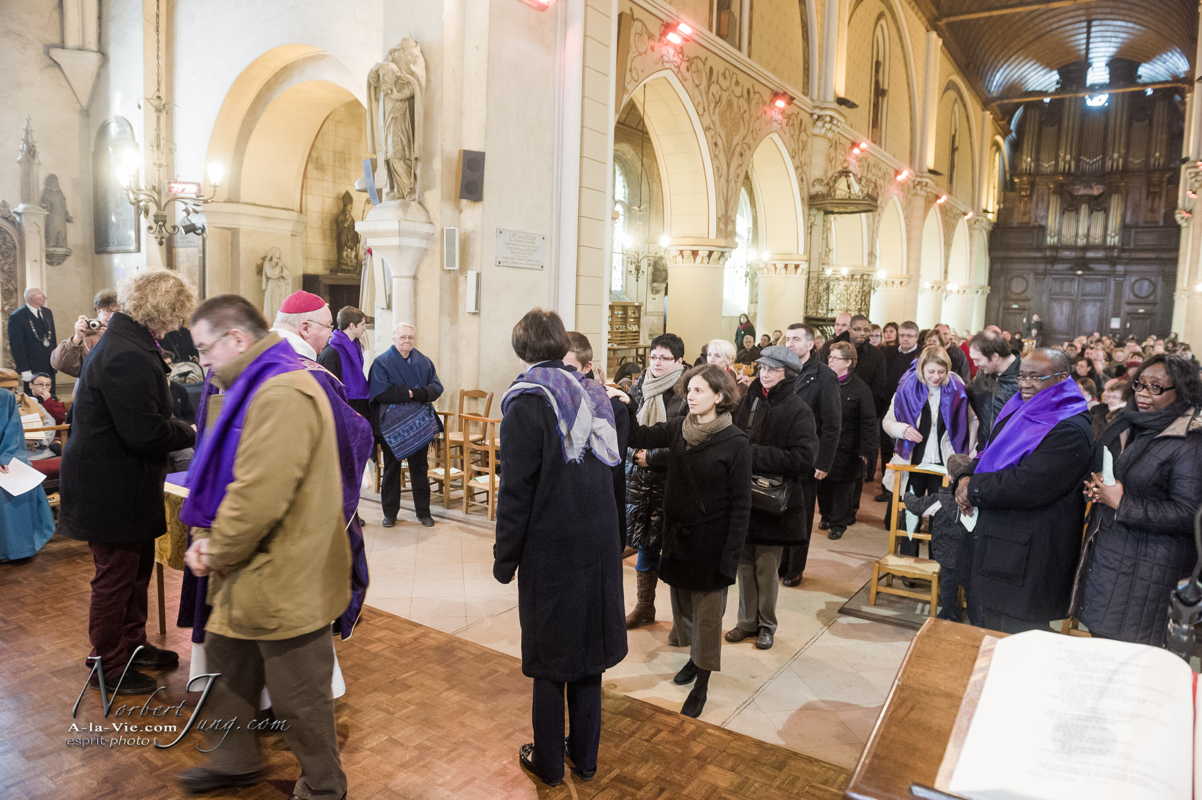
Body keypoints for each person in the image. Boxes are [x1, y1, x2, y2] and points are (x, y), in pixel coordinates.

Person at [177, 295, 349, 798]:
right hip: (252, 573)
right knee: (230, 672)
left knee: (301, 699)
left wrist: (214, 549)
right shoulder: (251, 382)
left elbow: (259, 495)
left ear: (236, 339)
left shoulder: (281, 392)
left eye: (206, 347)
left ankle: (323, 787)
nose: (203, 360)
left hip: (287, 575)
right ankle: (234, 759)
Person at [494, 310, 628, 787]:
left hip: (552, 549)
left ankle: (549, 764)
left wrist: (505, 557)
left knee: (552, 663)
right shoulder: (594, 392)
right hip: (598, 543)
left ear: (522, 349)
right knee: (588, 658)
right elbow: (615, 470)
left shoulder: (527, 401)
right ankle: (585, 759)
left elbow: (516, 490)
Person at [58, 271, 197, 694]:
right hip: (109, 488)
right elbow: (145, 432)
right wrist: (192, 431)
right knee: (115, 576)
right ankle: (108, 663)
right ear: (162, 310)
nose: (177, 324)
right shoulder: (126, 353)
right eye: (176, 314)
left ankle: (132, 646)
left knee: (135, 570)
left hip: (126, 482)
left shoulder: (130, 342)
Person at [627, 364, 751, 717]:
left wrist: (731, 556)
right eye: (689, 390)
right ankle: (695, 661)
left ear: (720, 397)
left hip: (712, 545)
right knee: (684, 611)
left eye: (698, 391)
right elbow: (639, 436)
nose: (690, 396)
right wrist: (622, 402)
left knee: (709, 616)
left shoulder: (736, 442)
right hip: (679, 539)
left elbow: (741, 504)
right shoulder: (680, 429)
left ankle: (703, 680)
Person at [954, 348, 1092, 633]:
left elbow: (1029, 484)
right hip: (995, 543)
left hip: (1027, 558)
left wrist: (973, 488)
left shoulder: (1070, 427)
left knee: (1013, 637)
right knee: (984, 626)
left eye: (1037, 377)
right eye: (1022, 376)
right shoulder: (1019, 406)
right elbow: (989, 450)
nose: (1026, 384)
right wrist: (965, 477)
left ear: (1063, 378)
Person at [1073, 356, 1202, 646]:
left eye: (1156, 388)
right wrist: (1099, 491)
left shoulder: (1191, 442)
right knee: (1099, 649)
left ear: (1181, 392)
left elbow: (1189, 514)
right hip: (1111, 559)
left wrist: (1122, 503)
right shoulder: (1130, 424)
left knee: (1128, 663)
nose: (1143, 394)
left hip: (1148, 573)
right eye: (1140, 385)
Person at [728, 346, 816, 649]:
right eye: (763, 368)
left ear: (787, 374)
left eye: (772, 369)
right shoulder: (748, 400)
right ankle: (745, 621)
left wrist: (753, 454)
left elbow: (804, 459)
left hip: (774, 501)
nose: (765, 373)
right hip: (743, 496)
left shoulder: (797, 409)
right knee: (743, 563)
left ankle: (767, 624)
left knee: (766, 568)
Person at [882, 346, 972, 557]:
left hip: (942, 463)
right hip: (913, 460)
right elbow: (887, 422)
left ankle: (936, 560)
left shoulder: (957, 390)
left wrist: (967, 453)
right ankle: (908, 560)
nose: (936, 377)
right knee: (910, 511)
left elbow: (970, 421)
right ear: (922, 369)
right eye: (931, 371)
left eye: (941, 372)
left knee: (940, 513)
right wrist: (903, 430)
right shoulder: (906, 388)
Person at [624, 333, 687, 628]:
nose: (657, 363)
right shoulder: (641, 386)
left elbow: (686, 437)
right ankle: (644, 606)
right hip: (640, 478)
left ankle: (682, 618)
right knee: (646, 544)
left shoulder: (686, 390)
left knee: (675, 551)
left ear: (678, 361)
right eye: (654, 357)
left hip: (672, 479)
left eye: (664, 358)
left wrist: (653, 457)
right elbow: (632, 427)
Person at [778, 323, 841, 585]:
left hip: (807, 455)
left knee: (800, 515)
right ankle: (779, 564)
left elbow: (832, 423)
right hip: (780, 454)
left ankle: (794, 569)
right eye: (788, 339)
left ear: (810, 344)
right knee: (776, 509)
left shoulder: (824, 376)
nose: (790, 344)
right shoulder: (781, 370)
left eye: (796, 339)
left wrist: (823, 461)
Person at [369, 322, 443, 528]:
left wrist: (415, 393)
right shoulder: (382, 362)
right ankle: (390, 514)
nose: (407, 341)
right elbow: (379, 392)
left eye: (410, 337)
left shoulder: (424, 362)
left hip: (419, 426)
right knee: (391, 470)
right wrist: (412, 393)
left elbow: (437, 387)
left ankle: (423, 513)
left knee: (419, 469)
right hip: (391, 428)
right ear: (394, 338)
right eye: (403, 337)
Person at [818, 342, 879, 540]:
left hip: (848, 447)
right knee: (823, 485)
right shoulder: (823, 382)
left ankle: (838, 523)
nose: (830, 361)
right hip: (824, 444)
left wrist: (865, 451)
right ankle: (826, 516)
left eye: (835, 358)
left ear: (848, 362)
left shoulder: (860, 389)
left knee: (842, 488)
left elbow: (868, 421)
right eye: (830, 357)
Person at [0, 374, 54, 562]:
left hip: (7, 455)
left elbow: (12, 432)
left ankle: (17, 549)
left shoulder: (4, 398)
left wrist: (4, 457)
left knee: (11, 488)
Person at [877, 321, 921, 500]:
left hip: (910, 410)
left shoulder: (920, 357)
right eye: (902, 335)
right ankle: (887, 489)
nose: (905, 339)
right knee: (887, 449)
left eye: (909, 336)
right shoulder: (888, 353)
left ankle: (905, 491)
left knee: (904, 451)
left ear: (916, 337)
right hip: (888, 405)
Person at [50, 289, 118, 381]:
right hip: (91, 389)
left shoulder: (127, 333)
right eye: (108, 311)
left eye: (116, 312)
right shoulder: (88, 333)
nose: (112, 316)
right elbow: (60, 364)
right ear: (98, 311)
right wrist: (77, 338)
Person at [968, 331, 1021, 446]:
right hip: (984, 450)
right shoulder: (983, 374)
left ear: (995, 357)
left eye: (977, 359)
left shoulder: (1025, 378)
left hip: (1011, 453)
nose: (975, 364)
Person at [318, 305, 371, 417]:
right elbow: (329, 388)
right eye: (362, 324)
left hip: (359, 402)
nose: (364, 328)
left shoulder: (357, 345)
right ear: (352, 326)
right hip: (343, 406)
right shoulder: (331, 352)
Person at [9, 287, 57, 394]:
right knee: (34, 400)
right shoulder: (17, 316)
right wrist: (24, 369)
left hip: (49, 365)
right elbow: (17, 346)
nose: (45, 297)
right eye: (41, 295)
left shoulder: (47, 312)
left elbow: (53, 338)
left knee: (51, 396)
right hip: (31, 367)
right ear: (31, 298)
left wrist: (55, 360)